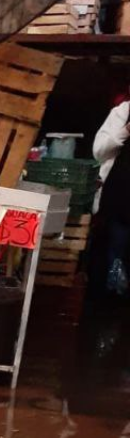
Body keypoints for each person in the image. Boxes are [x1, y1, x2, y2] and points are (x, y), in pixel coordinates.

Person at [93, 92, 130, 296]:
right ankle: (113, 291)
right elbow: (99, 151)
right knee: (117, 247)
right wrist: (125, 131)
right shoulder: (123, 112)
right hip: (120, 198)